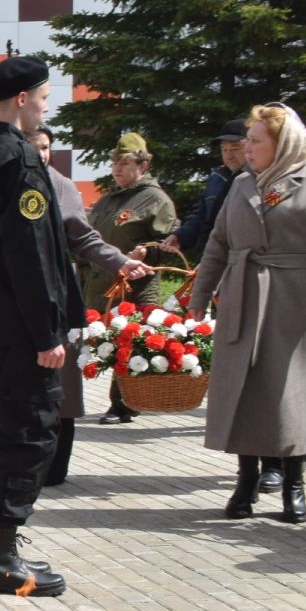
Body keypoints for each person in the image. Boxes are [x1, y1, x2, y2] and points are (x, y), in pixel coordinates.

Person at [189, 104, 306, 523]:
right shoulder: (241, 185)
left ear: (282, 143)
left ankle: (294, 484)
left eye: (256, 140)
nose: (247, 148)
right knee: (243, 392)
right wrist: (199, 297)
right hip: (242, 300)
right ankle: (246, 482)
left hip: (297, 304)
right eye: (248, 141)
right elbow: (218, 243)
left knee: (289, 397)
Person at [0, 56, 81, 597]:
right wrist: (48, 332)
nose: (47, 106)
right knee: (27, 436)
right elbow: (32, 256)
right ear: (24, 98)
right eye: (45, 97)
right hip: (21, 331)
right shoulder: (21, 161)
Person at [30, 127, 149, 485]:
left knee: (62, 380)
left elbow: (84, 237)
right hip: (7, 293)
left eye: (46, 148)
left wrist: (120, 262)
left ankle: (54, 467)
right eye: (33, 148)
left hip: (56, 288)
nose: (41, 155)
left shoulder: (61, 185)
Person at [84, 133, 179, 424]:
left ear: (143, 164)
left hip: (136, 287)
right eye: (115, 162)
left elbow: (167, 243)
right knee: (109, 342)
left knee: (129, 342)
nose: (117, 168)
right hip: (101, 283)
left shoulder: (155, 199)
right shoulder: (110, 199)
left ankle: (124, 404)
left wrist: (146, 253)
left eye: (125, 163)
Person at [161, 118, 247, 259]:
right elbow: (202, 216)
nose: (229, 156)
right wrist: (181, 236)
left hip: (238, 261)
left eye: (235, 149)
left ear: (251, 147)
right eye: (224, 150)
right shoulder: (216, 178)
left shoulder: (260, 180)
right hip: (209, 259)